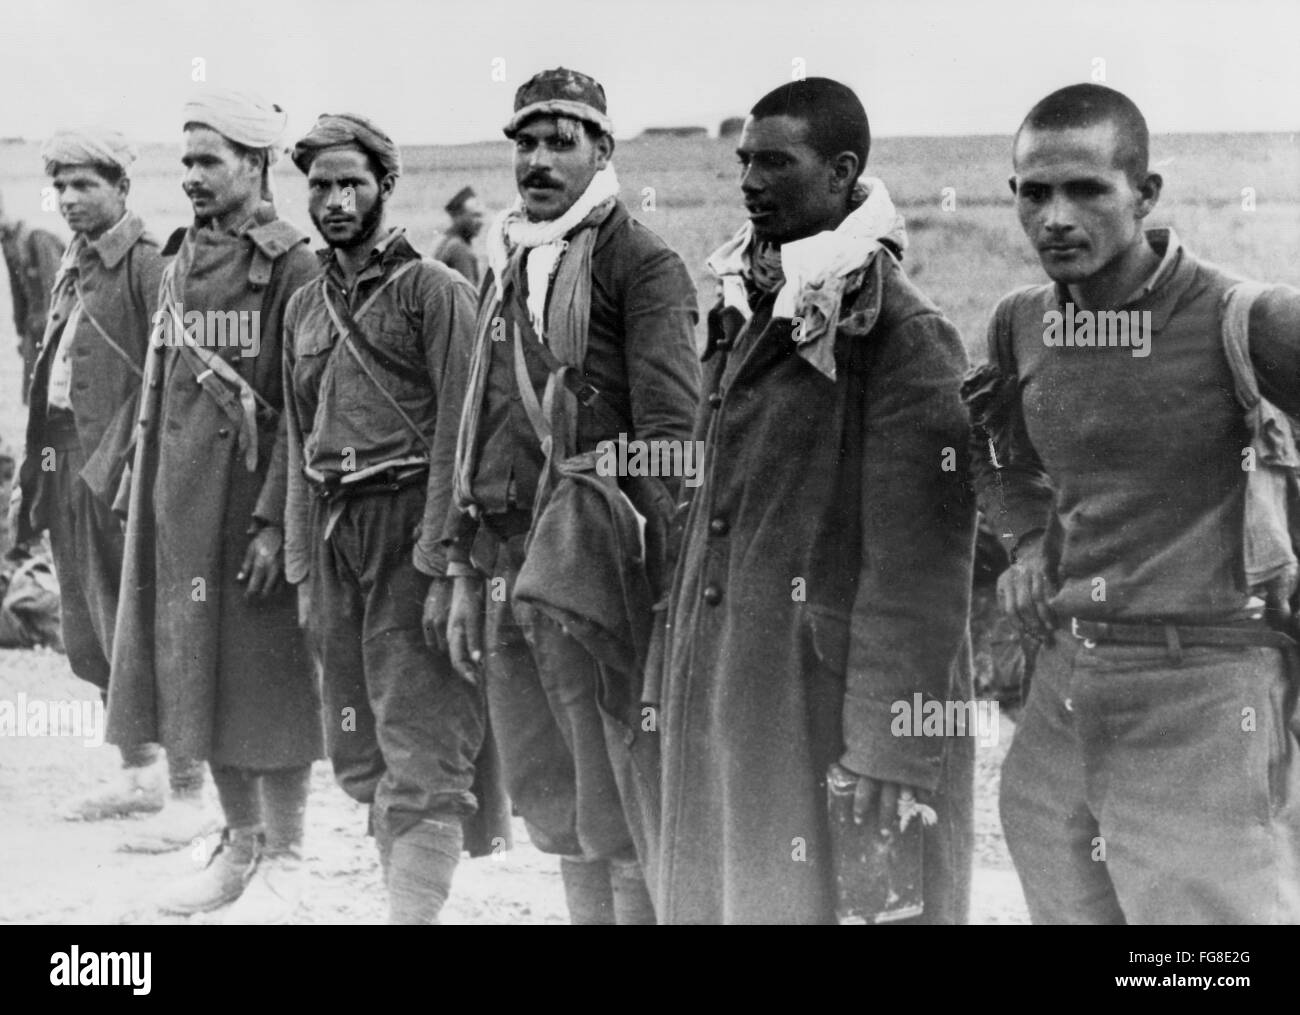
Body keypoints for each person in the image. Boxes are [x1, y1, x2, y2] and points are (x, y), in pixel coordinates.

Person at [972, 82, 1300, 923]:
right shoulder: (1021, 324)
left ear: (1145, 195)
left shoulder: (1245, 317)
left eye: (1087, 189)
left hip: (1204, 691)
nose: (1056, 216)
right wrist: (1023, 542)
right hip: (1067, 687)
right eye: (1034, 192)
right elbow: (993, 442)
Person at [655, 78, 976, 924]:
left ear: (841, 173)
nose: (752, 182)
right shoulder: (749, 302)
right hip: (737, 686)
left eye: (777, 163)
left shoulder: (902, 335)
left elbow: (921, 570)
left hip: (825, 707)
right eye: (744, 162)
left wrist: (890, 743)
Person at [437, 67, 700, 924]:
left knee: (616, 789)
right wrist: (464, 566)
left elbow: (672, 438)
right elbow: (476, 422)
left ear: (603, 149)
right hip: (511, 559)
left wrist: (637, 572)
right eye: (526, 143)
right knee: (549, 782)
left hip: (594, 566)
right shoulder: (510, 260)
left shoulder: (640, 262)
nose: (539, 160)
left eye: (561, 141)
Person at [107, 88, 323, 923]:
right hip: (178, 504)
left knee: (266, 679)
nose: (191, 176)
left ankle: (290, 854)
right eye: (186, 159)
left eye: (210, 161)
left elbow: (301, 405)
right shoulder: (177, 257)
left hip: (248, 506)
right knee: (196, 675)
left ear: (256, 165)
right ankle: (237, 846)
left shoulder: (292, 265)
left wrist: (276, 518)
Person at [283, 113, 505, 923]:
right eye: (321, 186)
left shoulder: (433, 290)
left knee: (423, 743)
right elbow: (295, 438)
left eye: (353, 183)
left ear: (385, 187)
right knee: (359, 747)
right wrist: (305, 566)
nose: (336, 200)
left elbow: (463, 430)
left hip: (413, 520)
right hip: (339, 535)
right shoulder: (305, 307)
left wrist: (448, 561)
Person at [11, 129, 212, 829]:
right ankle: (138, 774)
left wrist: (134, 465)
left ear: (121, 188)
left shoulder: (150, 264)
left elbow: (181, 375)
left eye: (85, 185)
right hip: (63, 462)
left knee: (148, 626)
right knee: (91, 627)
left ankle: (187, 791)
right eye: (60, 186)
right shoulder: (74, 262)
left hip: (123, 470)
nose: (68, 199)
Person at [0, 189, 64, 405]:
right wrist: (21, 332)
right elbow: (17, 291)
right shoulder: (8, 243)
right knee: (34, 401)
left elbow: (56, 288)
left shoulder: (37, 238)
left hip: (54, 330)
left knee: (55, 400)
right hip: (34, 330)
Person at [432, 186, 484, 286]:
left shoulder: (444, 241)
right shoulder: (459, 249)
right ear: (459, 216)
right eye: (474, 216)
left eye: (481, 216)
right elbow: (468, 295)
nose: (480, 222)